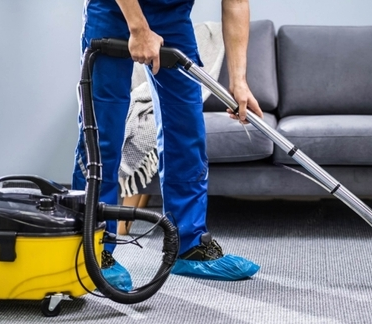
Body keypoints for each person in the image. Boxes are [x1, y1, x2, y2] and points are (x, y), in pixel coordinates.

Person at [72, 0, 262, 288]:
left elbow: (235, 2)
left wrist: (238, 81)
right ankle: (93, 248)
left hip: (171, 14)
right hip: (114, 9)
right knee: (103, 132)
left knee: (186, 127)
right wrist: (138, 28)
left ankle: (190, 246)